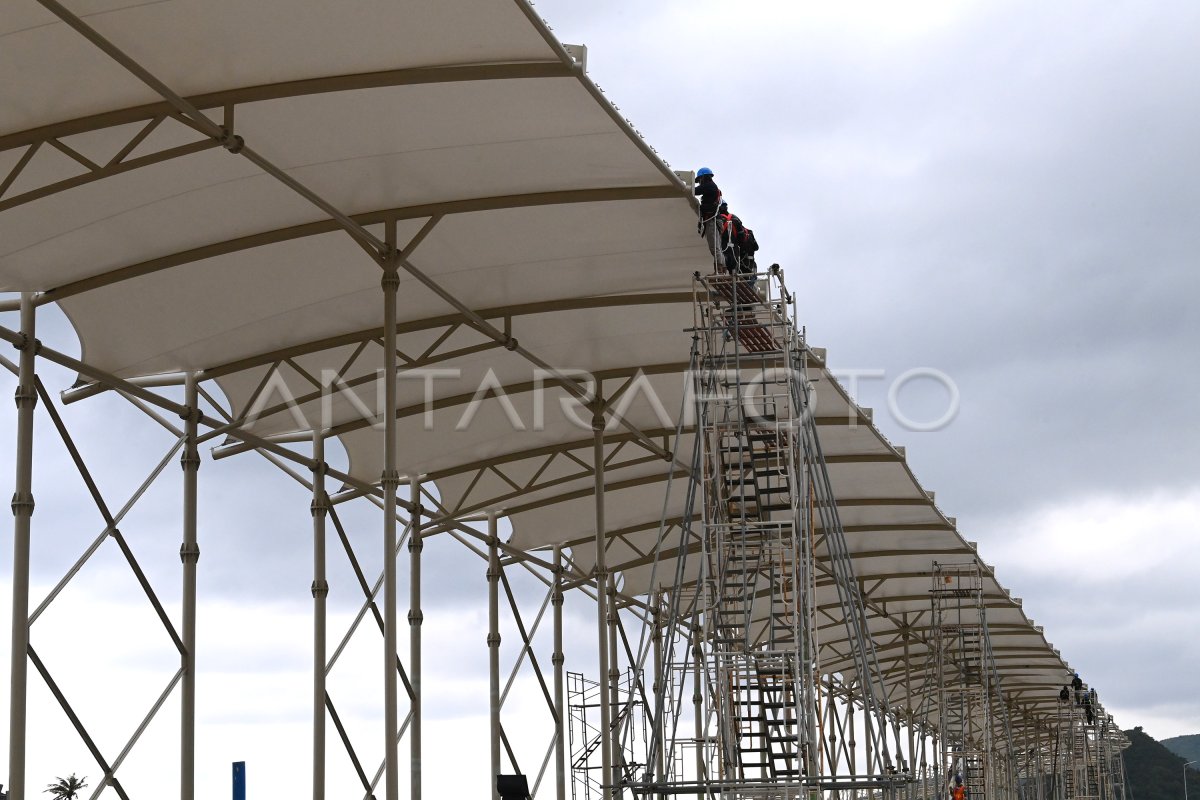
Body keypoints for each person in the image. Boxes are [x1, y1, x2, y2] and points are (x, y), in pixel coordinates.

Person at [694, 167, 723, 269]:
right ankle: (721, 269)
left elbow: (695, 191)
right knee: (716, 247)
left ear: (704, 177)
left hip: (712, 220)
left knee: (714, 247)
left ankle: (720, 269)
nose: (699, 183)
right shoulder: (712, 186)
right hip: (714, 220)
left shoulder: (709, 186)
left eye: (699, 180)